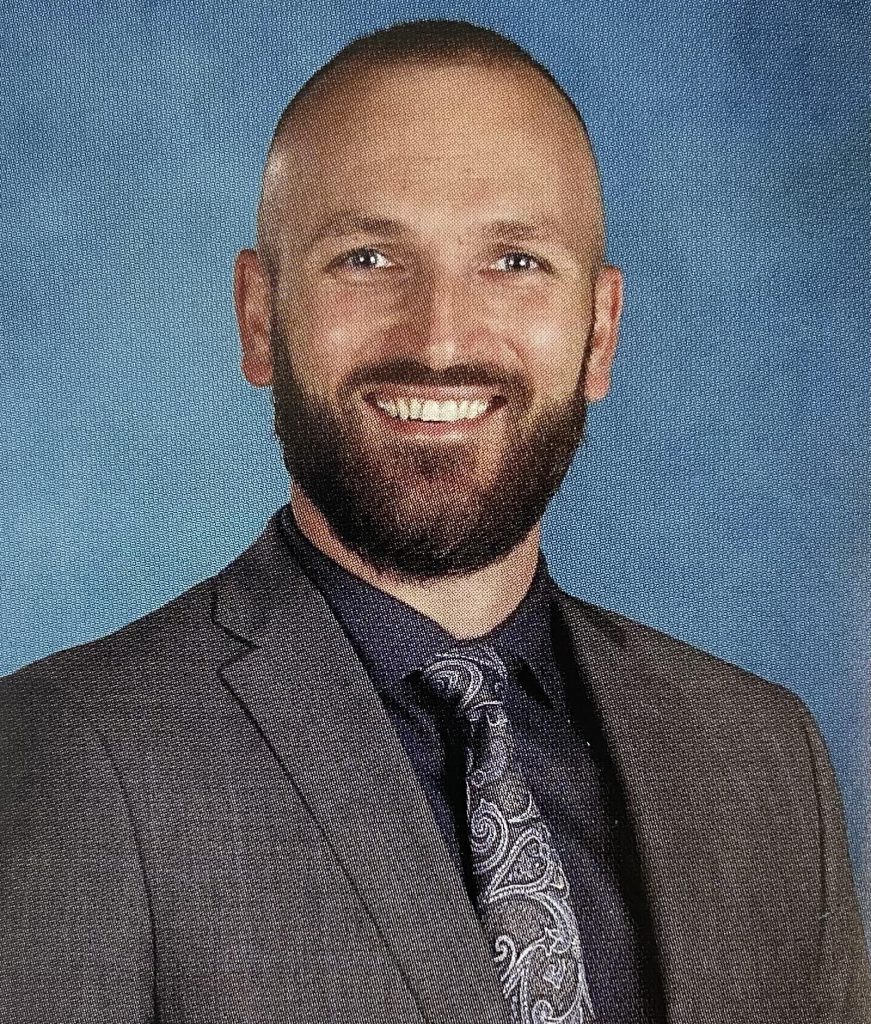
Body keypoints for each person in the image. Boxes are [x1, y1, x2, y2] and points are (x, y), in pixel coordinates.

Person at [1, 18, 867, 1024]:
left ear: (600, 330)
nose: (441, 338)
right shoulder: (65, 754)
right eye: (368, 257)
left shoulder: (762, 758)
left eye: (515, 261)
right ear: (257, 317)